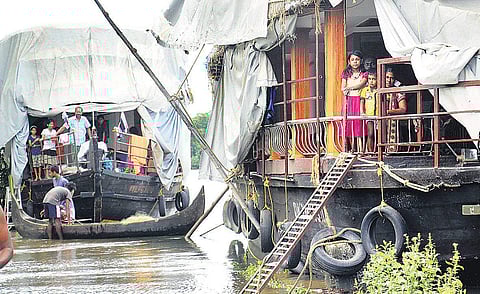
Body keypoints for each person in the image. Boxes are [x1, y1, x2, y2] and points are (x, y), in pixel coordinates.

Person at [341, 50, 368, 152]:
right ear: (349, 61)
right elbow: (342, 88)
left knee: (360, 126)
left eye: (357, 59)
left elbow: (361, 85)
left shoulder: (365, 73)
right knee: (349, 125)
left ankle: (362, 151)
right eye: (352, 60)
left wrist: (349, 88)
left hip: (360, 101)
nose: (355, 62)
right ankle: (351, 149)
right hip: (349, 101)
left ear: (361, 61)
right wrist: (346, 90)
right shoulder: (346, 73)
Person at [385, 68, 407, 152]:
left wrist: (388, 111)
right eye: (387, 77)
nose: (389, 80)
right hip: (378, 123)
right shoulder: (377, 89)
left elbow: (403, 109)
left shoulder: (398, 91)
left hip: (392, 123)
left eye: (392, 78)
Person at [360, 70, 378, 153]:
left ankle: (376, 151)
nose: (371, 81)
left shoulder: (379, 90)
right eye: (370, 79)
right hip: (369, 115)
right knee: (370, 133)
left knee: (377, 134)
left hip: (378, 115)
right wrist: (362, 112)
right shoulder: (365, 90)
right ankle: (370, 151)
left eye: (373, 79)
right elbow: (362, 102)